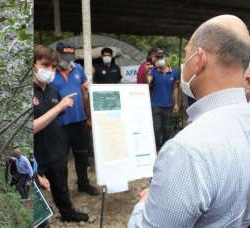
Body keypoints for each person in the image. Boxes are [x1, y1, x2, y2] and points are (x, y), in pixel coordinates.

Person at [128, 14, 250, 227]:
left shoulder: (188, 150)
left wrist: (144, 204)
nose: (184, 63)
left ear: (199, 59)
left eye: (187, 55)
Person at [33, 45, 89, 222]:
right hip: (36, 153)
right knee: (33, 191)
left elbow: (56, 118)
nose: (49, 70)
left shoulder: (51, 90)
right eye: (44, 65)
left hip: (56, 148)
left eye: (52, 67)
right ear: (33, 64)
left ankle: (67, 212)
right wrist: (60, 106)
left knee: (61, 184)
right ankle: (40, 219)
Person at [52, 41, 99, 195]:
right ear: (57, 55)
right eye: (64, 57)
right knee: (61, 160)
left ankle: (83, 184)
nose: (68, 61)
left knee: (82, 155)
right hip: (60, 124)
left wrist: (89, 117)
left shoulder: (78, 69)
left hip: (79, 121)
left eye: (70, 57)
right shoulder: (50, 73)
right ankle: (62, 190)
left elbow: (85, 94)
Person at [147, 50, 180, 150]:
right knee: (156, 129)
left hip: (168, 105)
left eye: (161, 57)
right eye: (157, 58)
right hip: (155, 104)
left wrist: (176, 104)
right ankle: (155, 149)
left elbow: (175, 88)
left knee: (167, 129)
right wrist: (147, 72)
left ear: (166, 58)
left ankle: (165, 149)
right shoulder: (153, 71)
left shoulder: (174, 72)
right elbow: (147, 83)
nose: (159, 60)